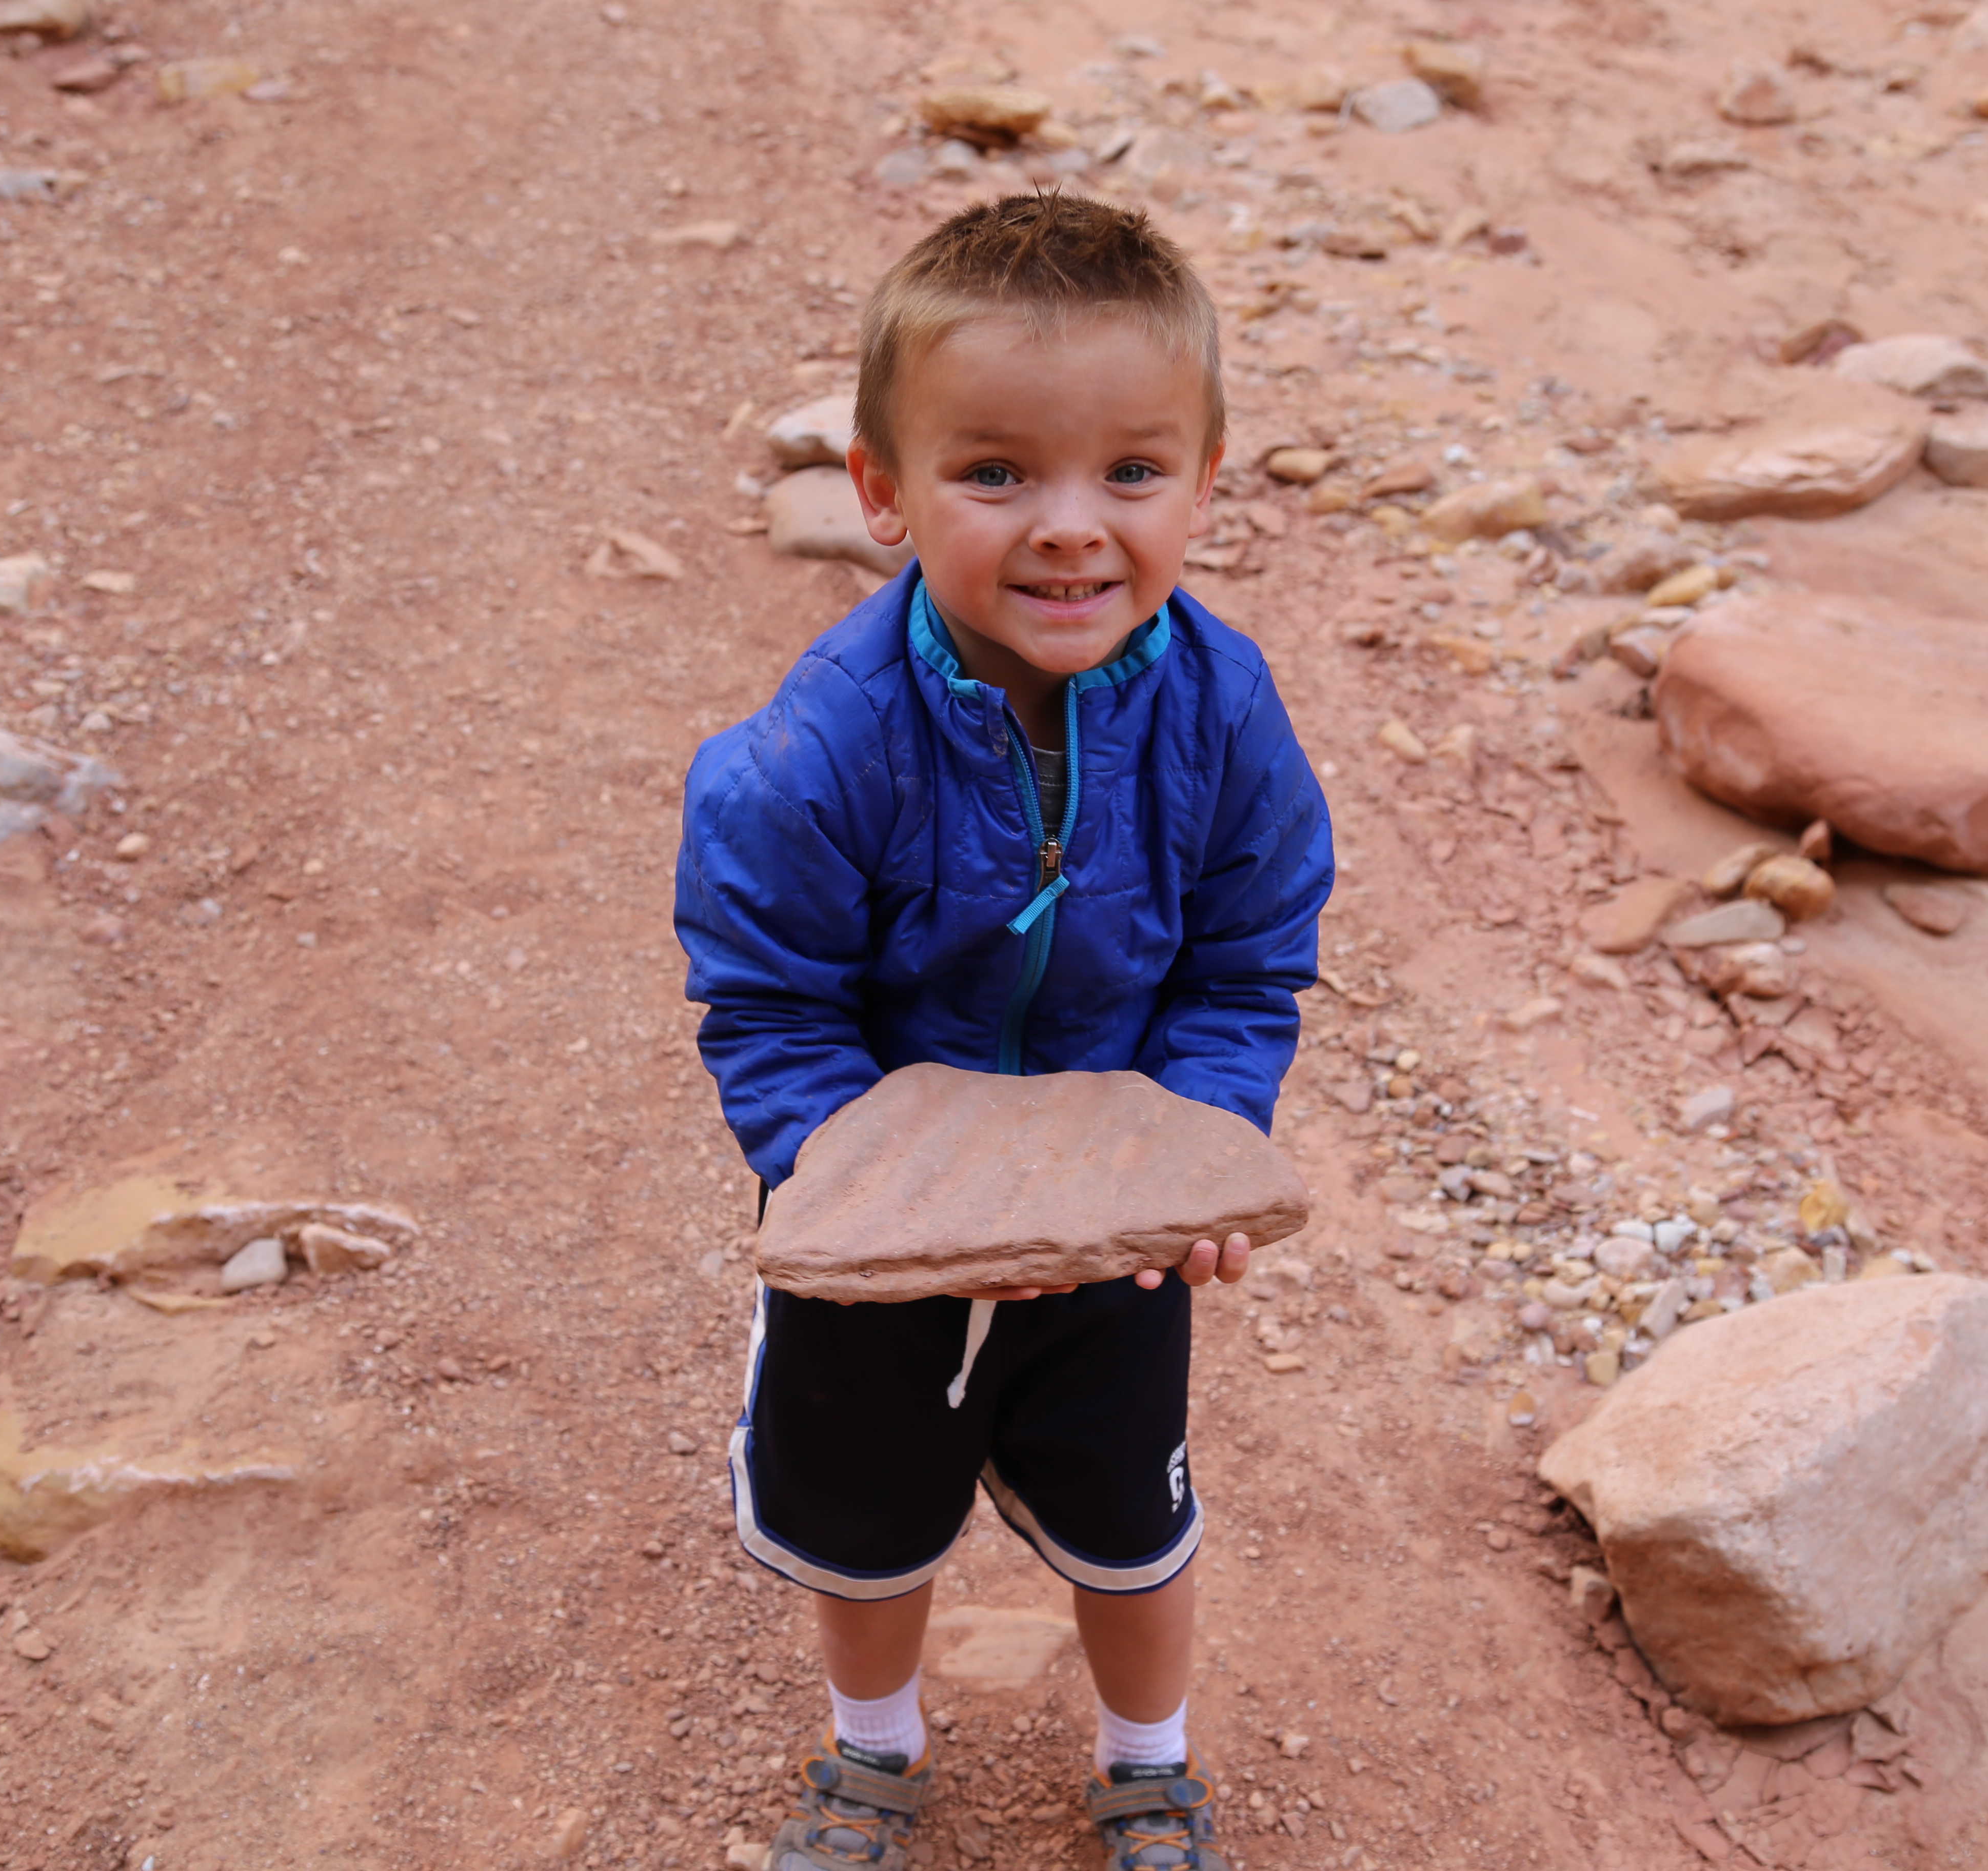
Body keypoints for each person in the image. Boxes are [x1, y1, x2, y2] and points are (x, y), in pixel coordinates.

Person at [674, 191, 1332, 1871]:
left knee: (1136, 1521)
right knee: (864, 1528)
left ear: (1205, 476)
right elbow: (772, 1003)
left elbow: (1248, 957)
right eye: (995, 474)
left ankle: (1147, 1761)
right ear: (881, 493)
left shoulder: (1224, 708)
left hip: (1113, 1245)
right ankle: (875, 1753)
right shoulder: (809, 757)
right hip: (881, 1249)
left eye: (1130, 471)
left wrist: (1195, 1142)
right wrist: (872, 1180)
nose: (1070, 530)